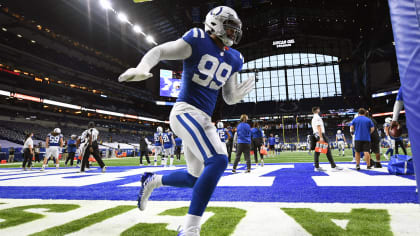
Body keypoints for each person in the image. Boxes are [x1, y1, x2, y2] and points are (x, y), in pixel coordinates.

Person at [118, 6, 252, 235]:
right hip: (185, 111)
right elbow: (159, 51)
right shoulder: (197, 39)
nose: (233, 32)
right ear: (215, 24)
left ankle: (153, 180)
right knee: (219, 161)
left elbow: (228, 97)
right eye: (229, 26)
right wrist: (143, 67)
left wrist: (237, 95)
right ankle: (190, 228)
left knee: (194, 178)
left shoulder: (234, 58)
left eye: (235, 28)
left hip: (202, 118)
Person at [311, 106, 343, 172]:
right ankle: (333, 166)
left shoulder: (314, 117)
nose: (319, 110)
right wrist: (321, 137)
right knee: (327, 150)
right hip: (320, 134)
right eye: (318, 109)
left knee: (317, 151)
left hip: (316, 134)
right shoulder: (317, 117)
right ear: (317, 110)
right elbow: (319, 127)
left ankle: (317, 167)